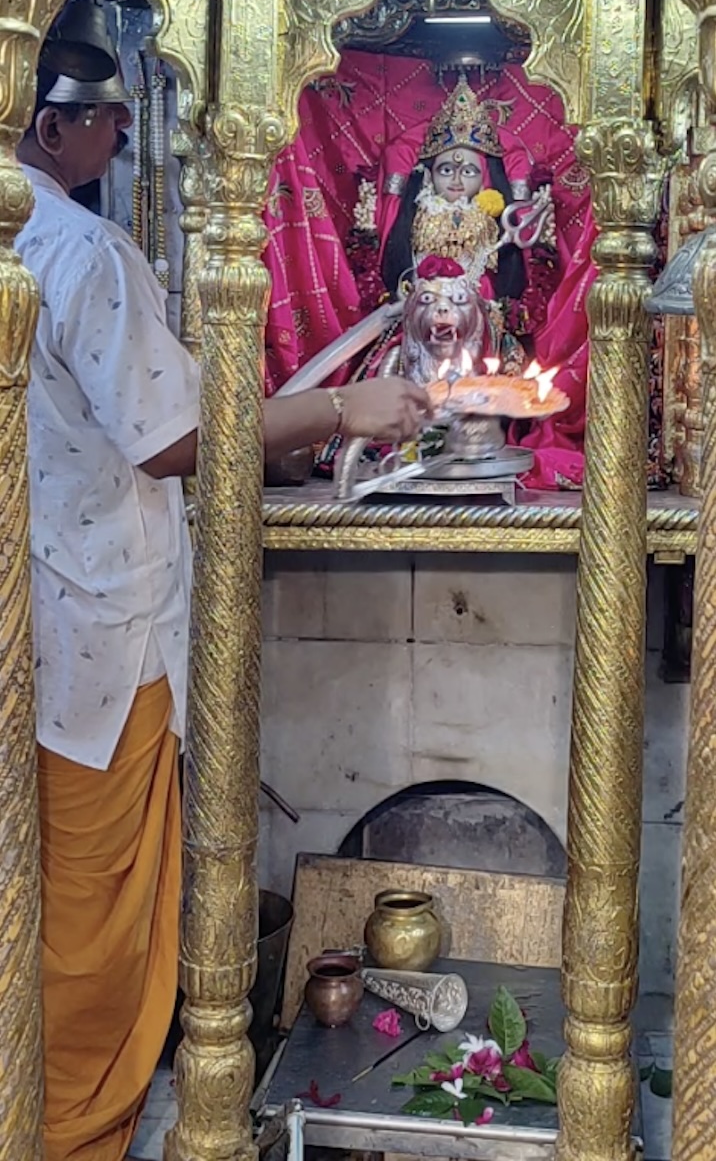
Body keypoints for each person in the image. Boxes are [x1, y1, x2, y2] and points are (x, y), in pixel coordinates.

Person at [16, 71, 429, 1161]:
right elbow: (168, 436)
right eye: (106, 118)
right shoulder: (78, 249)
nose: (116, 136)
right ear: (47, 120)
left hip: (39, 620)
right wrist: (344, 407)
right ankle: (68, 1136)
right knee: (93, 936)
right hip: (96, 643)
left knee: (38, 906)